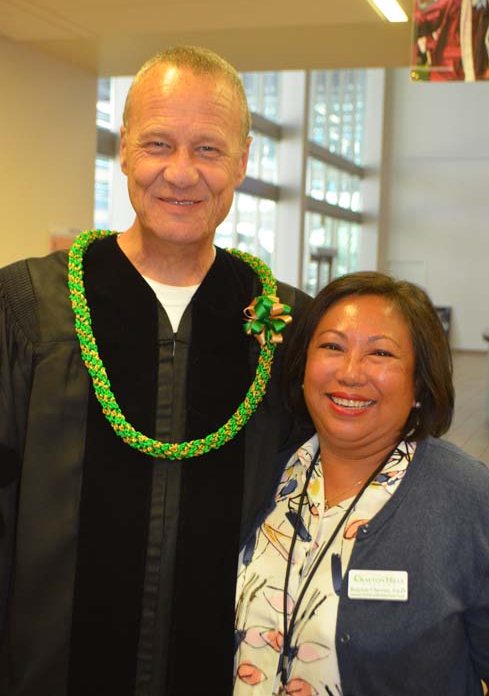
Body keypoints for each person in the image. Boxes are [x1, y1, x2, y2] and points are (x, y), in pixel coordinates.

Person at [0, 46, 311, 696]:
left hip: (230, 673)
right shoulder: (31, 309)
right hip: (48, 671)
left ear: (243, 161)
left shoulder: (287, 326)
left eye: (207, 149)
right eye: (158, 144)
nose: (180, 173)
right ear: (122, 150)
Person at [234, 271, 489, 696]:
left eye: (381, 354)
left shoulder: (466, 498)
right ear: (303, 366)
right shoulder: (270, 473)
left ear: (419, 383)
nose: (351, 373)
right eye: (332, 346)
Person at [414, 0, 489, 81]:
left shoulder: (486, 6)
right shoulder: (452, 3)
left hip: (479, 78)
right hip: (447, 74)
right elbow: (424, 23)